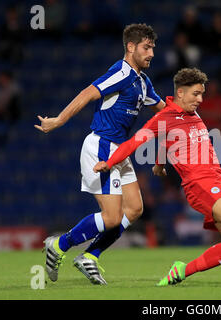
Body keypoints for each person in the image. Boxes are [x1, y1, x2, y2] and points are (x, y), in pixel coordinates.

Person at [94, 67, 221, 287]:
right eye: (196, 94)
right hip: (199, 183)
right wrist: (108, 163)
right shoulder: (163, 117)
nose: (200, 99)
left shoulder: (191, 113)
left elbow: (168, 140)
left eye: (202, 94)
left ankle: (182, 270)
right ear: (181, 93)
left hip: (217, 180)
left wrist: (159, 164)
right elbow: (134, 142)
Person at [35, 24, 165, 285]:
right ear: (131, 47)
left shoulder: (143, 81)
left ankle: (90, 256)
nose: (152, 53)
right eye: (146, 47)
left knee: (135, 208)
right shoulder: (121, 72)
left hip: (120, 150)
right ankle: (59, 244)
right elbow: (87, 93)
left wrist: (184, 112)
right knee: (112, 217)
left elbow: (164, 111)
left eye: (153, 47)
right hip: (102, 147)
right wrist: (58, 120)